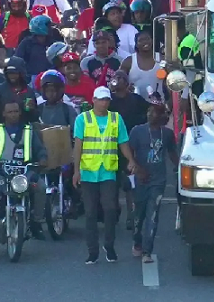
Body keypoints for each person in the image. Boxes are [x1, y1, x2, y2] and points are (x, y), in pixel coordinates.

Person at [73, 86, 138, 264]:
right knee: (90, 212)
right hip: (88, 172)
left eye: (106, 100)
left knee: (110, 209)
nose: (104, 103)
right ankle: (92, 251)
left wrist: (131, 160)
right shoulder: (83, 119)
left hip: (108, 171)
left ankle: (109, 246)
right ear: (93, 100)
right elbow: (78, 146)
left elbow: (123, 142)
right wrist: (76, 171)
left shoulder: (116, 119)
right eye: (101, 99)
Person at [0, 96, 48, 249]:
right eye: (10, 112)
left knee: (41, 188)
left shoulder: (29, 130)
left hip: (26, 172)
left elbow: (40, 149)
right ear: (3, 114)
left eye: (16, 111)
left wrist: (43, 159)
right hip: (2, 172)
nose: (13, 114)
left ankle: (36, 222)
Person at [129, 96, 177, 262]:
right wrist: (136, 169)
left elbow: (172, 154)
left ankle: (147, 251)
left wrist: (179, 169)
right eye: (149, 111)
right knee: (139, 214)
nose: (150, 114)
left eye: (155, 112)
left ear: (162, 115)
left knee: (153, 214)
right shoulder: (137, 131)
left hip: (158, 179)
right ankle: (137, 241)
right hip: (141, 179)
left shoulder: (167, 134)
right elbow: (130, 154)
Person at [0, 57, 38, 128]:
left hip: (24, 132)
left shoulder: (29, 92)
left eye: (15, 73)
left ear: (22, 73)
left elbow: (35, 118)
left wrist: (31, 110)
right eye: (9, 73)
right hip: (2, 131)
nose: (12, 76)